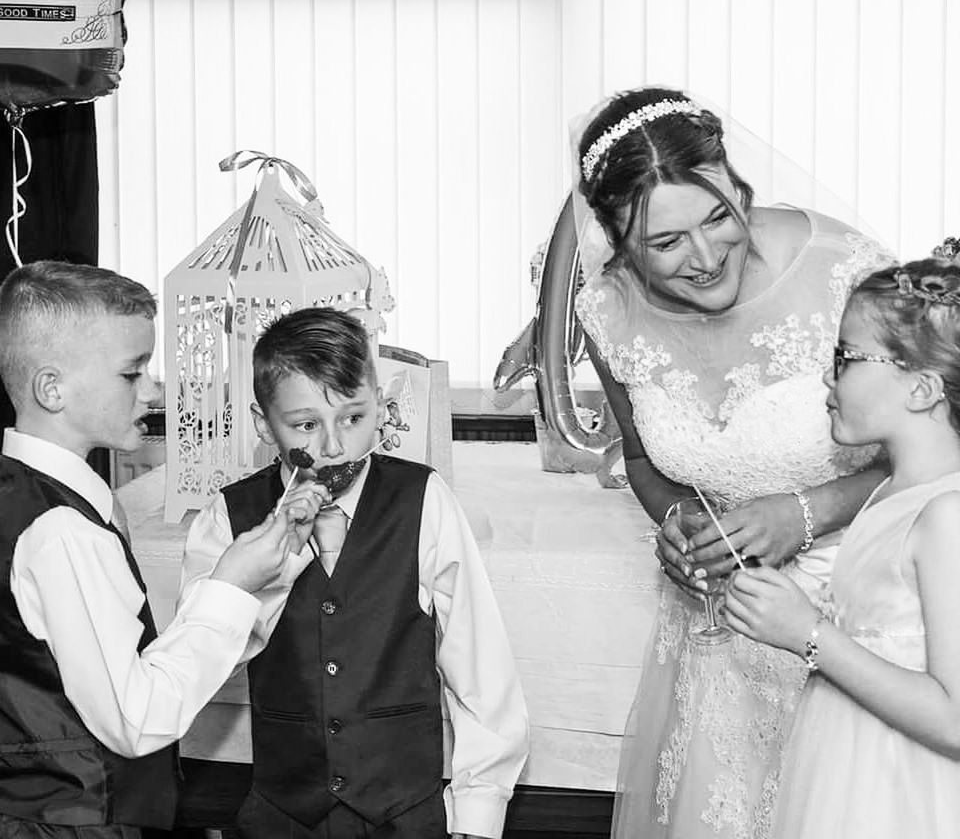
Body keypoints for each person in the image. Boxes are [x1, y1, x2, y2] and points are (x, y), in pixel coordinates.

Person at [572, 87, 895, 839]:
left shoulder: (844, 273)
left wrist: (807, 513)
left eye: (719, 215)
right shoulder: (607, 311)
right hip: (721, 642)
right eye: (666, 242)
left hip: (864, 619)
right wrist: (677, 520)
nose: (708, 255)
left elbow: (943, 450)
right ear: (616, 238)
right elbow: (647, 460)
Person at [0, 260, 323, 838]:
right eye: (132, 373)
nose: (151, 389)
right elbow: (136, 717)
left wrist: (252, 583)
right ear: (53, 388)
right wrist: (228, 587)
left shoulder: (27, 495)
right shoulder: (62, 535)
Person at [180, 306, 529, 839]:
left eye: (353, 417)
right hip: (281, 816)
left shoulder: (424, 500)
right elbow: (201, 661)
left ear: (381, 408)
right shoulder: (226, 519)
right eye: (305, 425)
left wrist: (479, 811)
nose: (334, 446)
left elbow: (480, 665)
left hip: (406, 815)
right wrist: (278, 556)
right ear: (262, 424)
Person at [724, 249, 960, 838]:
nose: (828, 378)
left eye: (845, 358)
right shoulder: (888, 494)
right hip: (846, 768)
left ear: (923, 387)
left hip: (901, 795)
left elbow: (956, 721)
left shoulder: (948, 515)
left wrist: (807, 634)